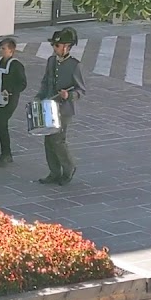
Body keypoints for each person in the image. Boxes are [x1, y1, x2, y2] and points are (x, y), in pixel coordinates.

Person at [36, 28, 86, 185]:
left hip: (64, 109)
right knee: (48, 140)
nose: (59, 49)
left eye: (63, 46)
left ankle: (68, 168)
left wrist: (69, 96)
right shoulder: (51, 61)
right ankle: (54, 171)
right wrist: (39, 97)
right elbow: (46, 81)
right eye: (57, 46)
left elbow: (80, 90)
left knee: (58, 140)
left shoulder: (74, 65)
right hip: (48, 106)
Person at [0, 38, 28, 167]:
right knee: (0, 125)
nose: (1, 51)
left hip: (11, 99)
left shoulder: (16, 65)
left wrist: (11, 90)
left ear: (11, 51)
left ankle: (6, 154)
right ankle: (6, 153)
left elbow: (22, 83)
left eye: (3, 49)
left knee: (1, 123)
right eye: (0, 48)